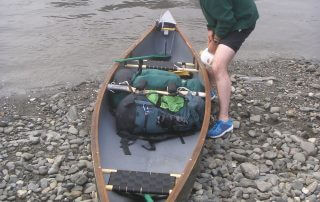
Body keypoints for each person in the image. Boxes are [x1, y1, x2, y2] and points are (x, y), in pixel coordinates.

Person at [199, 0, 259, 138]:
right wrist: (210, 28)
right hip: (229, 18)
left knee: (217, 66)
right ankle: (212, 91)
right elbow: (211, 8)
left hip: (241, 21)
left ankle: (225, 120)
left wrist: (214, 43)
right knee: (208, 57)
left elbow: (227, 21)